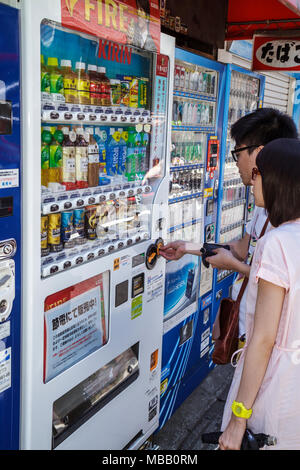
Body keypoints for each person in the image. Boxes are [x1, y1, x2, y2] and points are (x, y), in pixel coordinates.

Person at [160, 108, 298, 339]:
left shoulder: (288, 224)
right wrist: (190, 248)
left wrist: (234, 266)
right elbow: (242, 250)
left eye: (238, 153)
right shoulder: (263, 206)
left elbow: (282, 285)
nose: (236, 163)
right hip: (246, 325)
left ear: (260, 154)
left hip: (265, 337)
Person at [219, 138, 300, 450]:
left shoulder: (277, 243)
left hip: (274, 389)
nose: (251, 182)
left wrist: (238, 419)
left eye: (257, 174)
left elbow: (264, 339)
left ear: (278, 180)